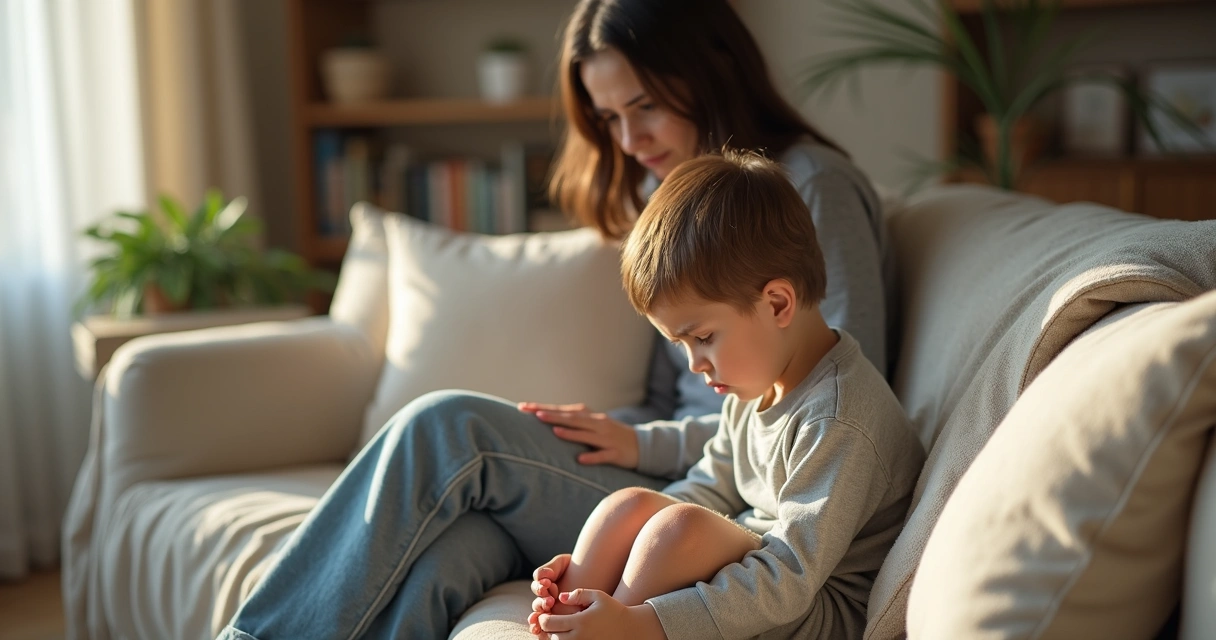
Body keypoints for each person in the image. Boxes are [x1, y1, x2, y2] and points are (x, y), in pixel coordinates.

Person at [217, 0, 893, 638]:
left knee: (449, 428)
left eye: (645, 105)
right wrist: (627, 432)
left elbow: (808, 388)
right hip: (690, 487)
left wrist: (645, 445)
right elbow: (726, 415)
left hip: (719, 513)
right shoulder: (682, 208)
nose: (629, 139)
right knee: (455, 552)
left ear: (713, 70)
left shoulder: (804, 192)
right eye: (608, 118)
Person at [526, 151, 924, 639]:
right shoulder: (755, 386)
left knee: (680, 532)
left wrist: (643, 622)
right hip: (762, 573)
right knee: (628, 506)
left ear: (777, 303)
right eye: (681, 344)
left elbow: (790, 575)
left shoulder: (838, 419)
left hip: (817, 607)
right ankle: (569, 617)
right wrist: (609, 559)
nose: (695, 364)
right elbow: (710, 487)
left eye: (704, 337)